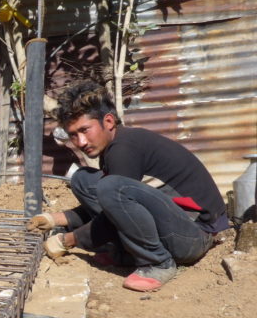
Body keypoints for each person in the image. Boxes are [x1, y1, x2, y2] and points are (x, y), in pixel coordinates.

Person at [28, 80, 228, 292]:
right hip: (175, 225)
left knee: (112, 187)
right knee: (83, 179)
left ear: (108, 121)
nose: (81, 142)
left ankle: (158, 262)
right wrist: (57, 219)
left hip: (194, 237)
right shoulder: (117, 145)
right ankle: (125, 251)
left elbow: (114, 205)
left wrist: (68, 240)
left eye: (85, 130)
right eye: (73, 135)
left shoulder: (124, 149)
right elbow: (114, 210)